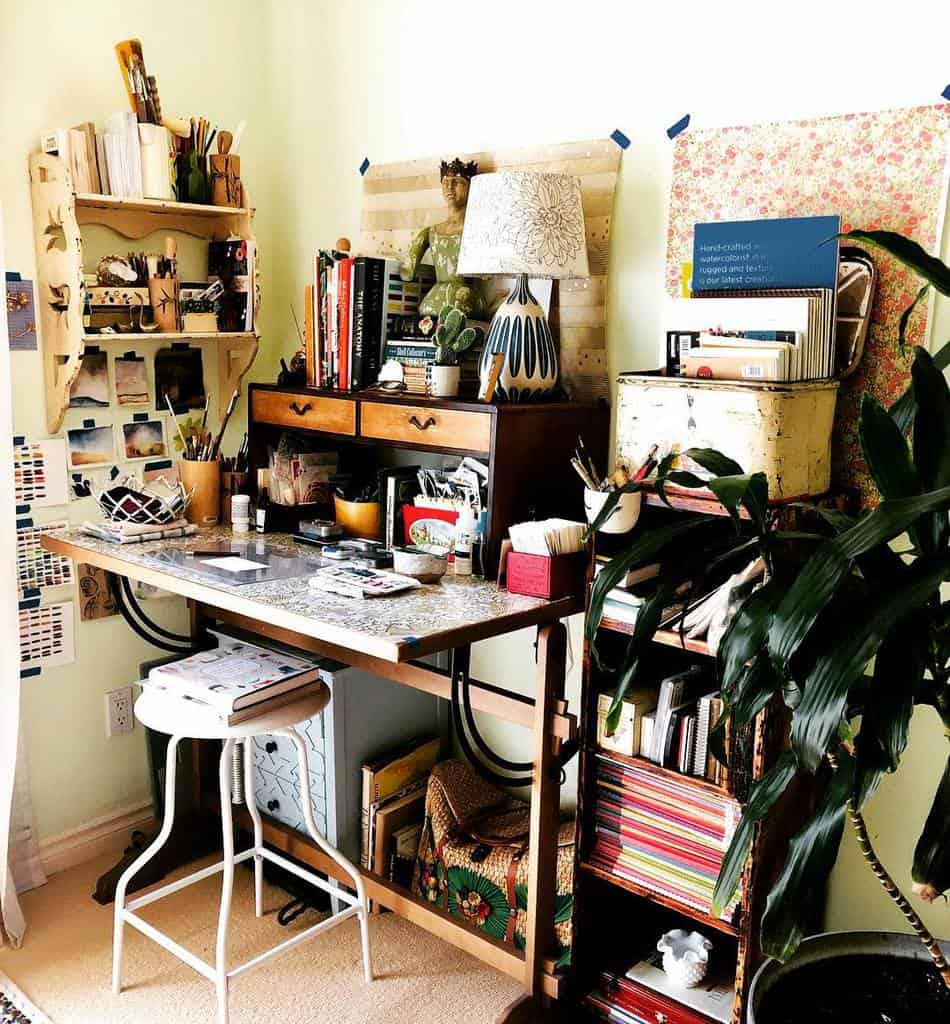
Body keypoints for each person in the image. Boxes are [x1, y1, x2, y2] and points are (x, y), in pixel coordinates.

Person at [400, 158, 489, 319]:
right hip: (436, 297)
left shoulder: (478, 230)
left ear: (471, 187)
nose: (450, 186)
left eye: (457, 182)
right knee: (428, 311)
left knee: (459, 308)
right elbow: (407, 271)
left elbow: (487, 272)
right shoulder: (430, 231)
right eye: (445, 182)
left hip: (465, 296)